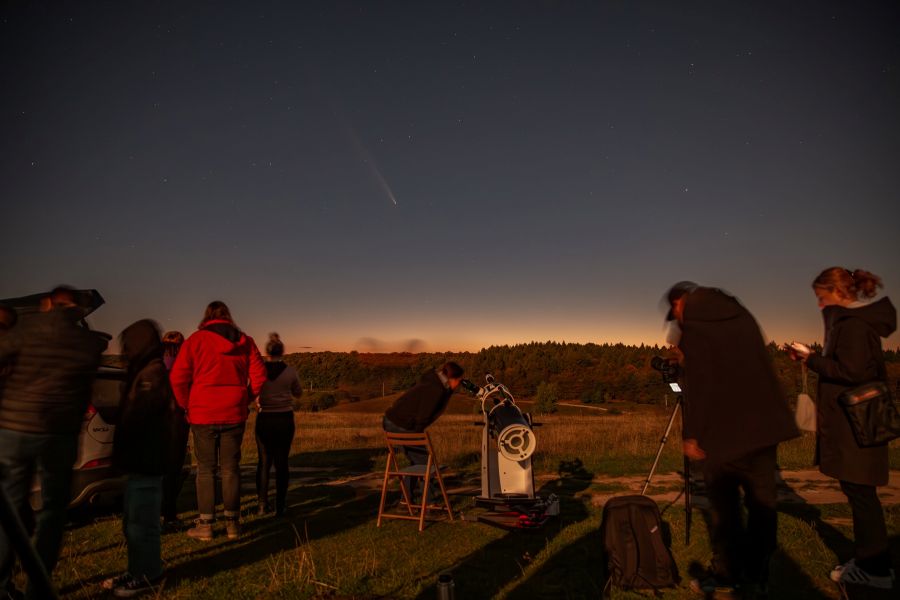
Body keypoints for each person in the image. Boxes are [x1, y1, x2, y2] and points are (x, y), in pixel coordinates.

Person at [664, 282, 798, 596]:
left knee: (725, 509)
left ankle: (727, 573)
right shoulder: (741, 317)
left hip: (723, 431)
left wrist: (692, 433)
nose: (677, 320)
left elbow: (701, 382)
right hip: (764, 427)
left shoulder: (696, 328)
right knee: (763, 503)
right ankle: (759, 571)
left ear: (682, 302)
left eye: (676, 312)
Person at [789, 267, 896, 589]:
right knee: (859, 492)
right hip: (858, 421)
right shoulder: (857, 324)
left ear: (837, 292)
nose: (820, 305)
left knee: (862, 495)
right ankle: (869, 560)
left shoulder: (853, 326)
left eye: (821, 298)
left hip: (856, 424)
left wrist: (811, 359)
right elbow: (854, 367)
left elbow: (851, 372)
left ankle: (875, 570)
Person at [0, 287, 108, 599]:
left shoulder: (26, 330)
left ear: (49, 304)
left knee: (8, 506)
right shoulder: (88, 344)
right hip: (59, 434)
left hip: (15, 427)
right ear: (76, 310)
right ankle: (38, 585)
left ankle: (2, 583)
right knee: (52, 513)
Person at [169, 302, 266, 541]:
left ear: (207, 317)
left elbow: (177, 378)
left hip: (202, 412)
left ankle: (206, 525)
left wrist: (186, 405)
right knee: (231, 468)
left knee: (206, 470)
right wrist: (246, 397)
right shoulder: (246, 341)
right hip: (233, 410)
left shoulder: (195, 340)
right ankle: (233, 524)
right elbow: (260, 377)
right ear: (228, 317)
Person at [101, 320, 172, 598]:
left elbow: (139, 421)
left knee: (142, 523)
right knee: (134, 522)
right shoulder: (144, 373)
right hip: (140, 460)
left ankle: (148, 574)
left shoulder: (150, 377)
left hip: (147, 459)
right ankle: (137, 570)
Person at [382, 361, 464, 500]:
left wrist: (449, 391)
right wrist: (418, 435)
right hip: (403, 425)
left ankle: (405, 501)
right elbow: (424, 416)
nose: (460, 384)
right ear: (453, 378)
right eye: (460, 381)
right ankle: (430, 503)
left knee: (418, 462)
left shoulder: (432, 381)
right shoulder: (435, 390)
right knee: (427, 466)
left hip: (390, 421)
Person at [254, 333, 302, 517]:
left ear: (266, 352)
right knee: (282, 462)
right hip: (284, 418)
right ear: (282, 352)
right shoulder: (290, 371)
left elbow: (253, 390)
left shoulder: (260, 370)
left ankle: (261, 504)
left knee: (264, 462)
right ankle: (280, 506)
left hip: (265, 417)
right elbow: (298, 393)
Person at [160, 331, 188, 530]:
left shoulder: (156, 361)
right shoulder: (183, 360)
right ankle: (169, 513)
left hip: (157, 416)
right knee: (173, 467)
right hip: (177, 416)